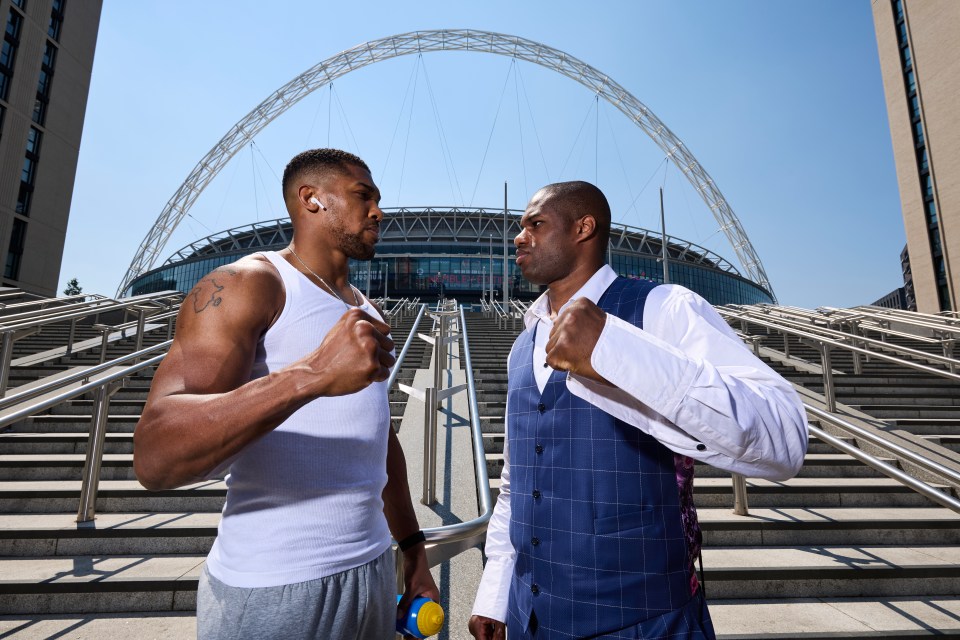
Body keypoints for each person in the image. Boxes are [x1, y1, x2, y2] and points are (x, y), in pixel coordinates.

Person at [468, 181, 808, 640]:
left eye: (536, 224)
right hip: (530, 618)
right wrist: (495, 593)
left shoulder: (664, 308)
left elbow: (783, 437)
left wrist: (614, 351)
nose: (519, 236)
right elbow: (516, 481)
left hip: (645, 621)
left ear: (584, 228)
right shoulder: (521, 345)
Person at [133, 148, 439, 639]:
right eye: (364, 196)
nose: (379, 211)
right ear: (311, 199)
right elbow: (155, 455)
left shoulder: (369, 311)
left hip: (374, 573)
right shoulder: (248, 284)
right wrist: (312, 373)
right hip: (274, 586)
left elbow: (379, 443)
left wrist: (413, 553)